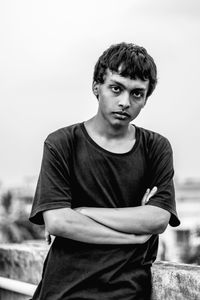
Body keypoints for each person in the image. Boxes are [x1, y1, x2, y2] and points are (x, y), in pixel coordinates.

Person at [29, 42, 180, 300]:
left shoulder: (156, 148)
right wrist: (133, 237)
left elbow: (157, 219)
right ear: (96, 87)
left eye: (136, 94)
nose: (124, 102)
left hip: (125, 291)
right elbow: (58, 221)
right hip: (62, 290)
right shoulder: (62, 143)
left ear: (145, 98)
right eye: (116, 88)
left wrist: (83, 212)